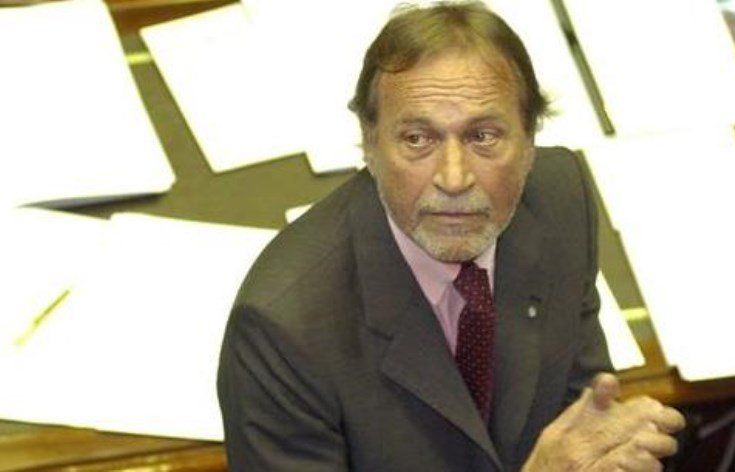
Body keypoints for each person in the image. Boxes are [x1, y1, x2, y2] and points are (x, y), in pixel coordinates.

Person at [217, 2, 684, 470]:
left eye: (483, 136)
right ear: (369, 145)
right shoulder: (283, 328)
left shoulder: (560, 198)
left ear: (529, 143)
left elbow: (579, 404)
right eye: (417, 139)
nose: (454, 179)